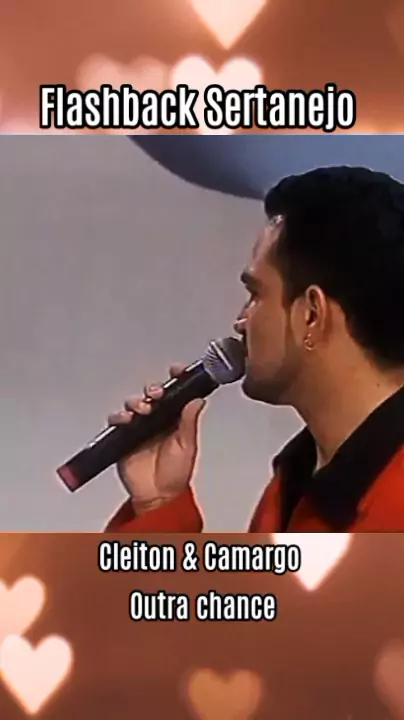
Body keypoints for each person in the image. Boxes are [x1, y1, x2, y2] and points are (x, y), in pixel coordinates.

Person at [105, 166, 404, 533]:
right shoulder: (296, 480)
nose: (241, 320)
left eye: (255, 294)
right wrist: (157, 505)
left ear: (312, 314)